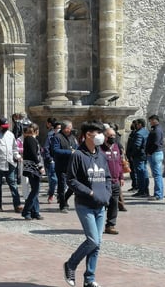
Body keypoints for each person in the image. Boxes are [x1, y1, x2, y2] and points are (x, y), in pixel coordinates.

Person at [63, 121, 112, 287]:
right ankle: (71, 264)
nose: (99, 135)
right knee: (92, 240)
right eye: (94, 132)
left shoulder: (101, 155)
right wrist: (90, 192)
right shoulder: (78, 155)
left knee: (97, 244)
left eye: (100, 132)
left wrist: (107, 193)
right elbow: (71, 180)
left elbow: (107, 177)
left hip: (101, 205)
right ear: (86, 136)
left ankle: (89, 279)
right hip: (85, 204)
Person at [0, 116, 23, 213]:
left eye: (6, 126)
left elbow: (14, 148)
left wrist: (17, 156)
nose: (5, 128)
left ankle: (17, 205)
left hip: (9, 163)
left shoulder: (10, 135)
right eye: (3, 126)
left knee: (13, 184)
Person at [100, 127, 124, 235]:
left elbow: (119, 162)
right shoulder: (100, 149)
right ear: (105, 137)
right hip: (104, 181)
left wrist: (121, 177)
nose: (113, 138)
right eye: (111, 136)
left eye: (114, 136)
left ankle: (110, 225)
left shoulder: (116, 147)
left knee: (114, 204)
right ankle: (98, 224)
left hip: (115, 181)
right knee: (101, 203)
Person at [51, 120, 78, 213]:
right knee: (62, 185)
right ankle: (62, 205)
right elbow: (55, 151)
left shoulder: (72, 137)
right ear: (66, 128)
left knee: (74, 184)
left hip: (72, 165)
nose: (71, 129)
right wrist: (70, 152)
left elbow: (76, 147)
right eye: (70, 127)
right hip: (61, 165)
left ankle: (65, 198)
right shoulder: (57, 137)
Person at [21, 123, 45, 220]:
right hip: (33, 168)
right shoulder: (30, 139)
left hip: (32, 168)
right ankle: (26, 211)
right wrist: (40, 166)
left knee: (35, 190)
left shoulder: (31, 139)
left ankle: (35, 212)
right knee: (35, 191)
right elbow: (33, 154)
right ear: (36, 131)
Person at [145, 115, 165, 201]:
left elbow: (156, 143)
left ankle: (158, 194)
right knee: (157, 175)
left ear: (155, 120)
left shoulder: (156, 130)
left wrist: (149, 152)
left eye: (151, 121)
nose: (150, 122)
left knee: (157, 175)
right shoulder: (156, 129)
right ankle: (159, 193)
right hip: (156, 153)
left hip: (155, 154)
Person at [130, 118, 150, 197]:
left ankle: (142, 191)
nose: (136, 125)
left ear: (140, 124)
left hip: (138, 156)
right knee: (144, 172)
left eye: (137, 124)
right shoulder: (146, 132)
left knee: (140, 173)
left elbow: (137, 146)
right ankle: (145, 190)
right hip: (144, 155)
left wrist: (132, 154)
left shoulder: (139, 133)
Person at [44, 118, 60, 204]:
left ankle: (60, 196)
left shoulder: (65, 137)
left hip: (62, 161)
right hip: (53, 160)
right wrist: (49, 159)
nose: (59, 130)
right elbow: (46, 148)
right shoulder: (50, 137)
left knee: (63, 180)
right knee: (54, 179)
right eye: (57, 128)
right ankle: (51, 194)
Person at [125, 120, 138, 192]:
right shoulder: (132, 133)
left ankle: (136, 186)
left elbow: (134, 145)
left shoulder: (136, 134)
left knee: (134, 171)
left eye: (133, 124)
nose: (131, 125)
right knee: (132, 171)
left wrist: (132, 154)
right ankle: (134, 185)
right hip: (130, 155)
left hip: (133, 155)